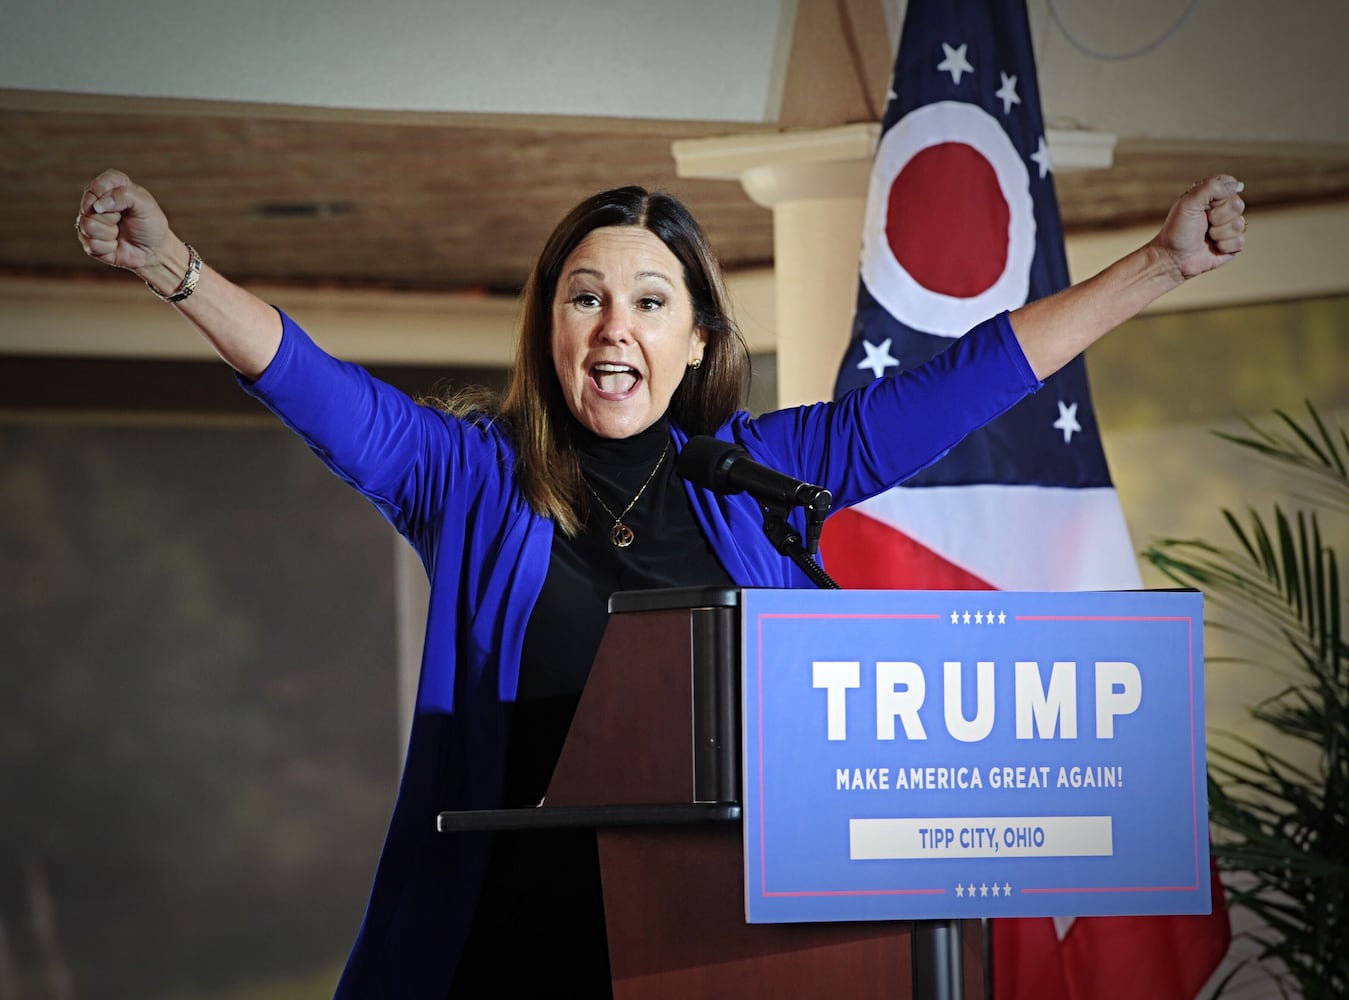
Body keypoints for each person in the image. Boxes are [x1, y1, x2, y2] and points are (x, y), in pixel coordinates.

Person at [74, 168, 1246, 997]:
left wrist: (1157, 263)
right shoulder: (469, 479)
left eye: (647, 300)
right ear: (548, 328)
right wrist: (173, 267)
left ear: (694, 341)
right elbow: (315, 385)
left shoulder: (761, 478)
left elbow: (961, 386)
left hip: (720, 953)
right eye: (583, 297)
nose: (610, 326)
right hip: (514, 943)